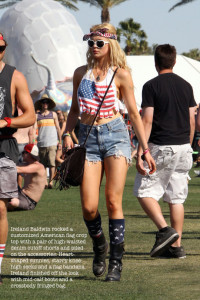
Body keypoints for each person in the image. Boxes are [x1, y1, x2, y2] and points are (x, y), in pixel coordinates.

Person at [63, 23, 156, 282]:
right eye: (90, 42)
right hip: (87, 138)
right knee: (89, 207)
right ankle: (99, 245)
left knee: (113, 202)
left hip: (115, 135)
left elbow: (134, 114)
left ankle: (116, 261)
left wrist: (143, 150)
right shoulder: (80, 73)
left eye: (99, 43)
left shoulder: (121, 74)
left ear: (110, 45)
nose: (94, 47)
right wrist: (64, 134)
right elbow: (73, 111)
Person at [134, 44, 196, 259]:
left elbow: (147, 120)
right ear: (175, 61)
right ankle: (176, 247)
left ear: (155, 62)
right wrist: (187, 145)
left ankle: (165, 230)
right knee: (176, 198)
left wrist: (143, 150)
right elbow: (191, 120)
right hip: (183, 147)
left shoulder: (151, 86)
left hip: (161, 145)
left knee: (144, 192)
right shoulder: (187, 86)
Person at [0, 33, 35, 284]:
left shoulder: (15, 76)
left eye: (0, 48)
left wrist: (7, 121)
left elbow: (30, 115)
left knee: (0, 208)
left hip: (3, 147)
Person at [7, 144, 46, 211]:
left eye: (24, 152)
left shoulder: (39, 167)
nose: (22, 154)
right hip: (20, 193)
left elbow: (19, 169)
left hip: (29, 201)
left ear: (29, 154)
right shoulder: (26, 164)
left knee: (12, 203)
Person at [34, 94, 62, 189]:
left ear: (49, 104)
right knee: (43, 164)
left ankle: (51, 182)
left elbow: (58, 128)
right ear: (41, 104)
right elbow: (34, 129)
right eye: (43, 102)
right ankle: (45, 182)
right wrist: (34, 141)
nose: (45, 104)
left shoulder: (53, 114)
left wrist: (60, 142)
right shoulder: (37, 116)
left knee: (52, 163)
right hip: (41, 142)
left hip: (52, 142)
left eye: (47, 102)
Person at [13, 107, 34, 188]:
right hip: (25, 145)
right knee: (22, 169)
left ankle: (15, 188)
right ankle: (20, 188)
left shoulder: (15, 117)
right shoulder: (28, 118)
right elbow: (31, 134)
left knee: (13, 167)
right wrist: (31, 147)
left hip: (14, 143)